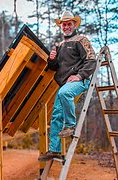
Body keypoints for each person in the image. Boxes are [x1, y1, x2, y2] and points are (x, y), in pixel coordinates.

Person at [38, 11, 96, 161]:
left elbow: (91, 61)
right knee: (56, 115)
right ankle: (54, 150)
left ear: (75, 25)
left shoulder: (81, 40)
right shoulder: (59, 45)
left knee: (64, 94)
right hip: (64, 83)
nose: (66, 27)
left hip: (80, 80)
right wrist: (51, 60)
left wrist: (79, 76)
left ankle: (71, 125)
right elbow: (55, 67)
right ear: (61, 27)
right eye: (64, 24)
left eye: (69, 24)